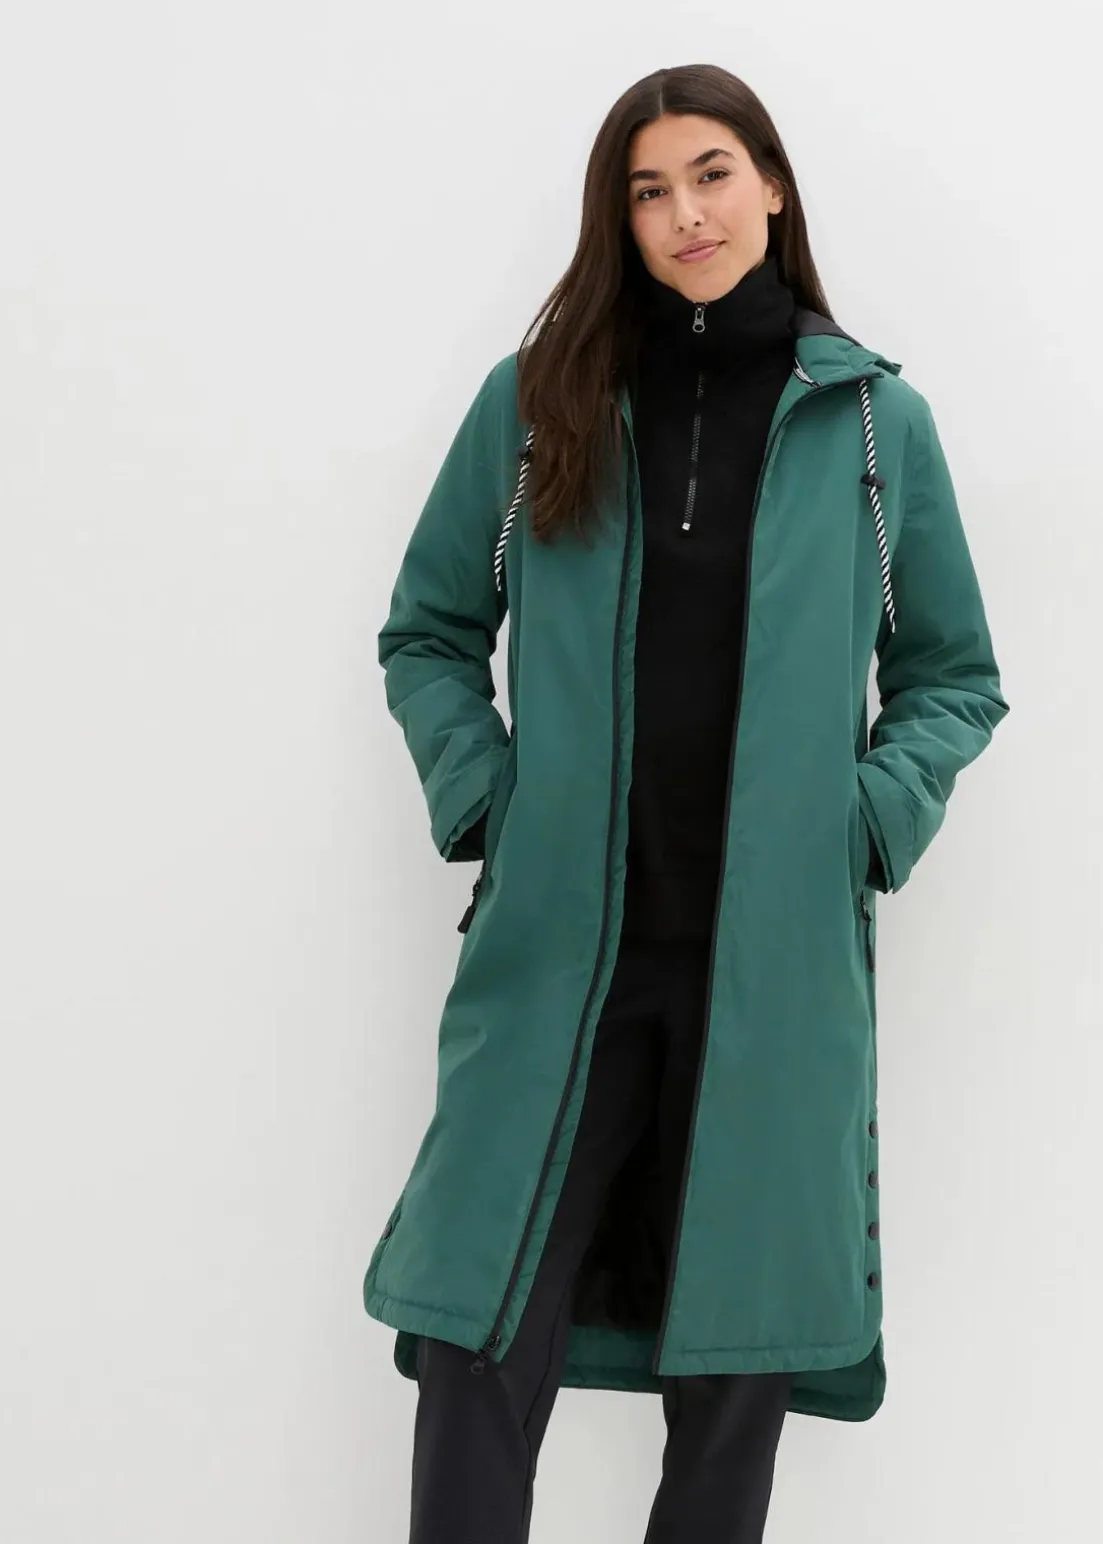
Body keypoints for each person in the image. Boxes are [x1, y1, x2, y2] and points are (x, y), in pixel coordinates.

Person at [363, 62, 1010, 1543]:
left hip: (771, 966)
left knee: (734, 1376)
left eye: (711, 174)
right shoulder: (541, 405)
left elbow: (952, 674)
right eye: (647, 191)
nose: (685, 214)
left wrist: (865, 822)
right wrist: (492, 801)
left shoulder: (871, 427)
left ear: (771, 184)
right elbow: (428, 632)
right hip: (559, 958)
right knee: (476, 1336)